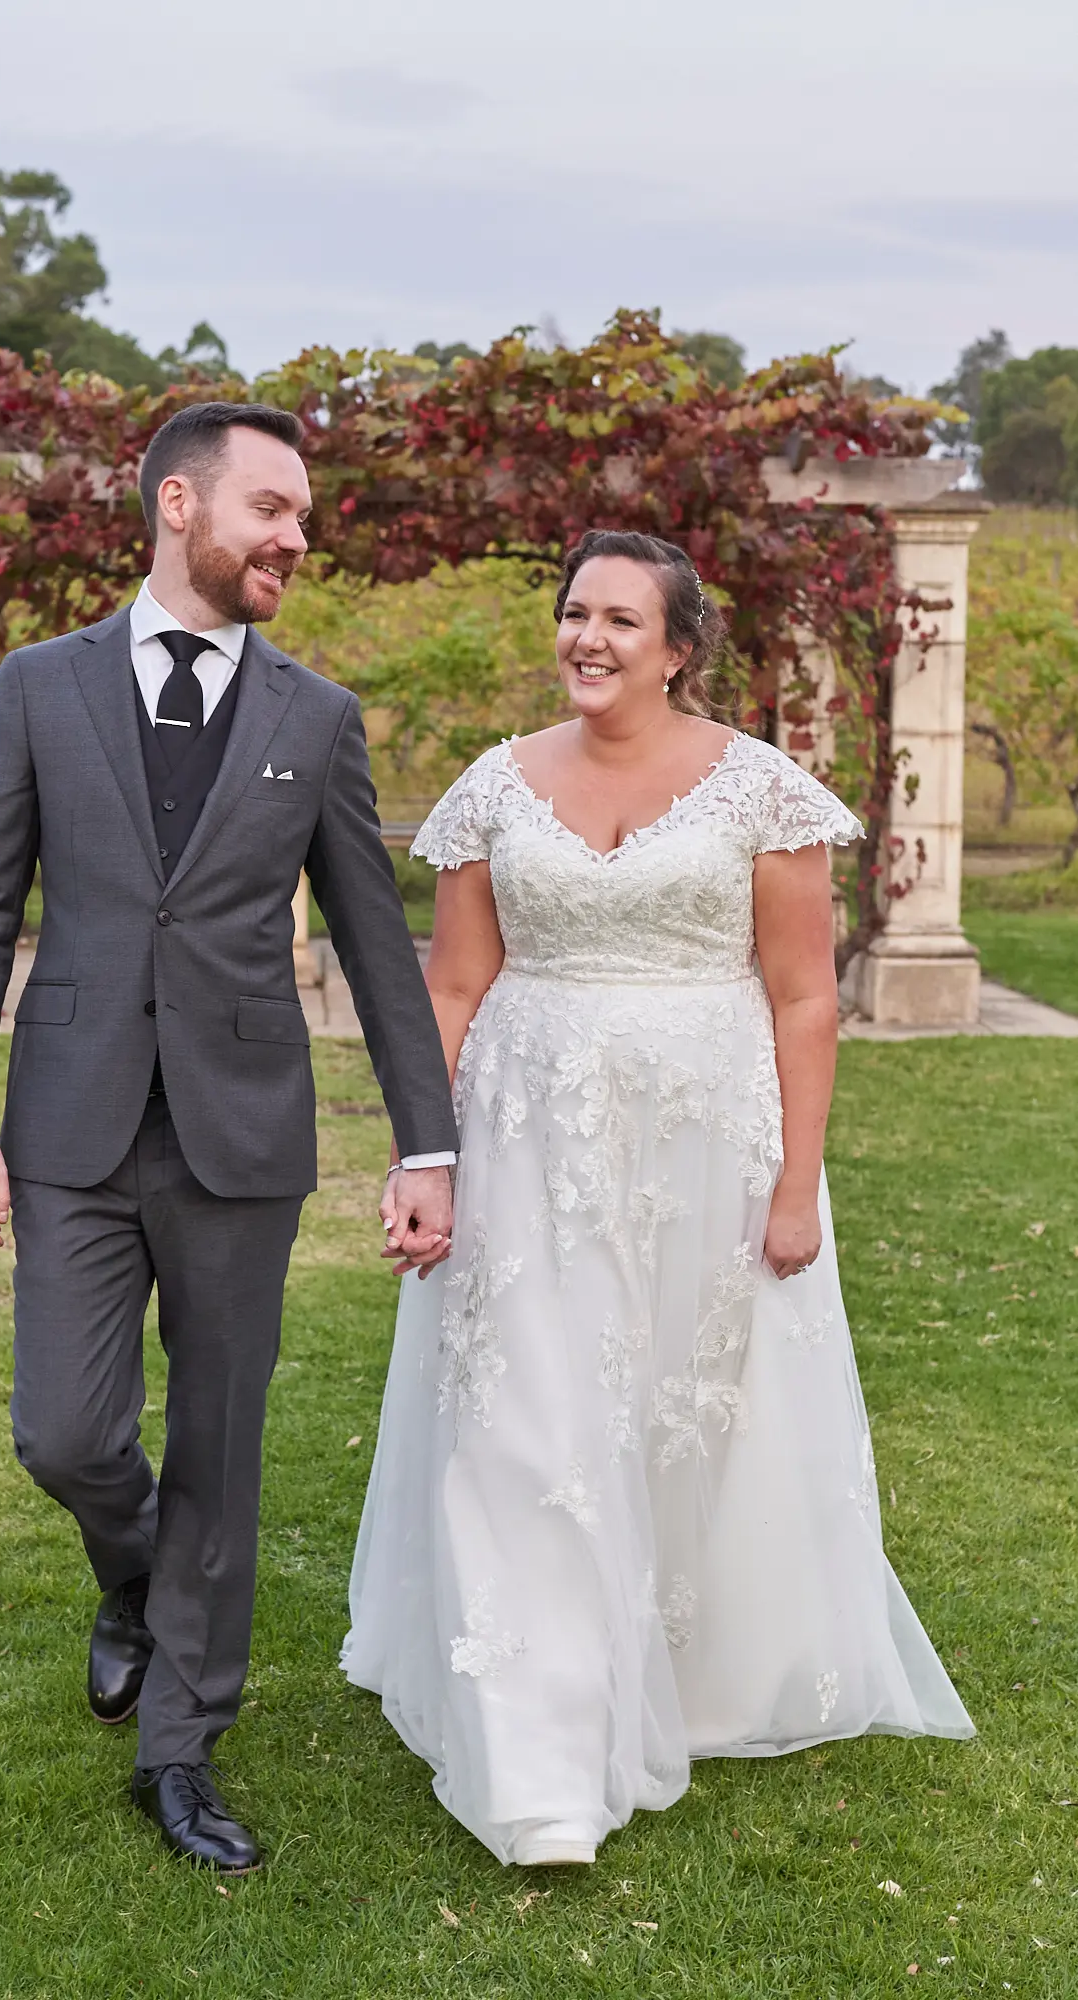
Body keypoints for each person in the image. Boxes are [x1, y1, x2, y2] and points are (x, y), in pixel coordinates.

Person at [343, 529, 974, 1868]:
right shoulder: (494, 788)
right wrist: (423, 1154)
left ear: (679, 650)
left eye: (623, 620)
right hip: (523, 1144)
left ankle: (693, 1674)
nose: (590, 638)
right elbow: (451, 988)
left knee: (686, 1417)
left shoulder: (763, 794)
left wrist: (797, 1190)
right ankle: (542, 1762)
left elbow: (805, 997)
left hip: (707, 1147)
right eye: (576, 613)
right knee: (523, 1419)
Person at [0, 402, 458, 1872]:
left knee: (221, 1444)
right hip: (70, 1125)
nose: (296, 538)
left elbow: (375, 939)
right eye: (272, 509)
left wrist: (430, 1144)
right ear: (180, 504)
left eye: (302, 517)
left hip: (243, 1136)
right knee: (69, 1431)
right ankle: (140, 1577)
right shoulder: (41, 687)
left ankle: (181, 1752)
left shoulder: (317, 716)